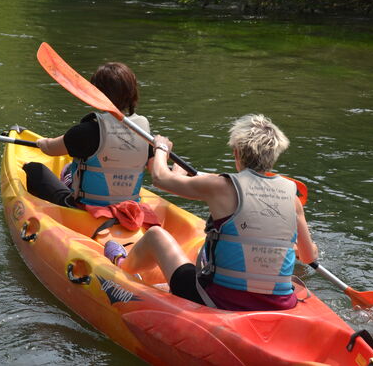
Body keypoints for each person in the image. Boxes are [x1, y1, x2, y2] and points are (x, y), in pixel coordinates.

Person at [104, 114, 319, 311]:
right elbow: (309, 257)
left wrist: (161, 148)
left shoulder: (220, 186)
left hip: (219, 301)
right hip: (280, 304)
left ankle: (123, 267)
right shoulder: (291, 198)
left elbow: (160, 178)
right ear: (274, 156)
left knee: (155, 236)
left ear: (236, 152)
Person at [23, 62, 154, 209]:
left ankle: (40, 213)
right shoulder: (145, 133)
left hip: (84, 207)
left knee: (33, 169)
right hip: (129, 206)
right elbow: (156, 171)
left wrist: (41, 142)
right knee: (68, 168)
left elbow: (51, 149)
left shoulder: (86, 131)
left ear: (95, 93)